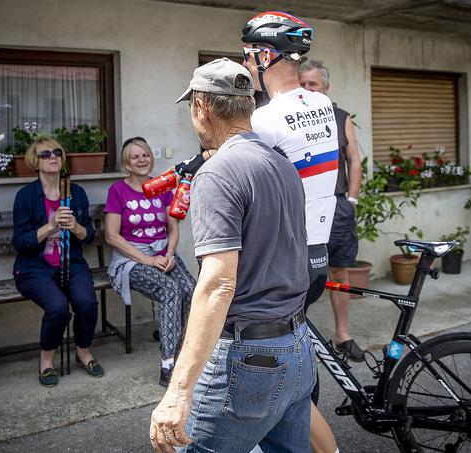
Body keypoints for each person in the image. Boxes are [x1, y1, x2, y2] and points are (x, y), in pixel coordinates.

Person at [150, 57, 315, 452]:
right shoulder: (282, 163)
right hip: (297, 348)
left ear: (201, 108)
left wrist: (178, 391)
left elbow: (218, 285)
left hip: (250, 361)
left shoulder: (219, 172)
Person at [241, 12, 343, 453]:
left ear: (265, 55)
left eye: (248, 57)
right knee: (294, 357)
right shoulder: (321, 106)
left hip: (284, 260)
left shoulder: (265, 120)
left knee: (274, 366)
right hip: (318, 249)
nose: (246, 67)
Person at [12, 136, 104, 387]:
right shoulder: (26, 196)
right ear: (35, 161)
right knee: (58, 306)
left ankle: (83, 351)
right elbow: (20, 242)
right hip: (34, 268)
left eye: (57, 152)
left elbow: (89, 236)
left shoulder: (76, 193)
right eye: (45, 154)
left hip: (70, 262)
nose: (53, 157)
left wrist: (75, 227)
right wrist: (51, 226)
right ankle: (46, 360)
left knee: (86, 302)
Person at [104, 137, 196, 387]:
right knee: (170, 290)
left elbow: (173, 228)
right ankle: (168, 364)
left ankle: (185, 352)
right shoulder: (118, 191)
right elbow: (111, 236)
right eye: (135, 157)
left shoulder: (161, 187)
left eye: (145, 154)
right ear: (127, 163)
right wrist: (147, 259)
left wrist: (168, 254)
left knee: (192, 291)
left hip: (163, 254)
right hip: (132, 259)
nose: (142, 160)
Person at [299, 59, 364, 362]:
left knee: (339, 270)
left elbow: (355, 158)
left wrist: (351, 199)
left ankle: (343, 335)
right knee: (300, 273)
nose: (307, 89)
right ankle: (298, 339)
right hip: (301, 208)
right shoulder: (292, 118)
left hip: (336, 205)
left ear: (326, 88)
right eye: (303, 83)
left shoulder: (340, 117)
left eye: (313, 84)